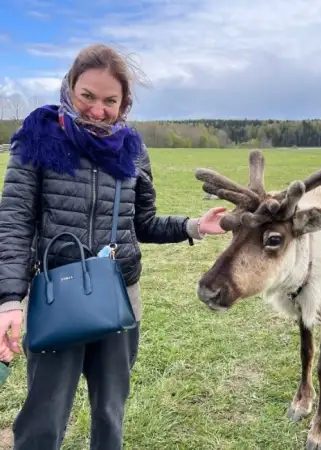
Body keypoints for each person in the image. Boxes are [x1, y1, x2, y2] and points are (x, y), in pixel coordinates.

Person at [0, 43, 227, 450]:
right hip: (56, 298)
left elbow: (143, 223)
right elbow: (15, 222)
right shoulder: (38, 137)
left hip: (118, 297)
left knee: (110, 412)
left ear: (125, 103)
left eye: (110, 100)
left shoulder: (132, 148)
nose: (97, 110)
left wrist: (195, 225)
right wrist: (9, 300)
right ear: (70, 87)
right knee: (42, 419)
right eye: (87, 96)